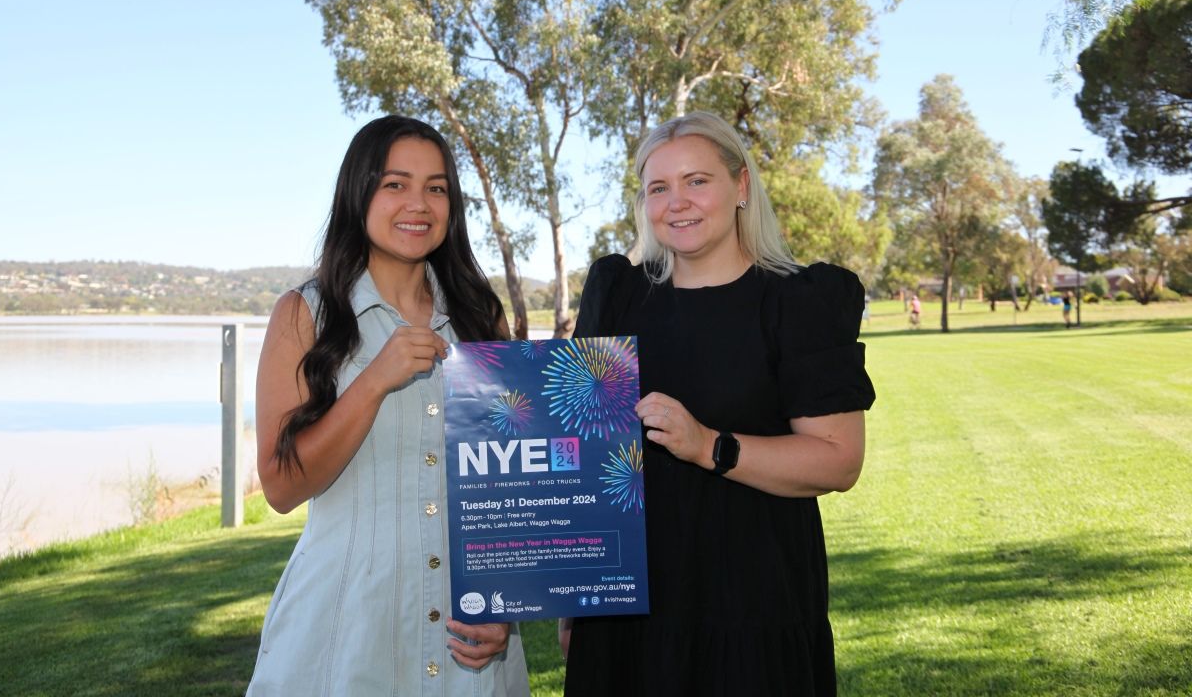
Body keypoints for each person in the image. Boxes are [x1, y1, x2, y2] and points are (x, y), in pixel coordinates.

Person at [561, 112, 875, 696]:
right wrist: (574, 602)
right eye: (659, 187)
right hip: (627, 609)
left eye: (697, 181)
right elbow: (585, 456)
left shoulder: (798, 302)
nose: (677, 202)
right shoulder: (617, 298)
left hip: (753, 603)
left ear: (741, 187)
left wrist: (708, 445)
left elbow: (838, 460)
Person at [247, 116, 530, 696]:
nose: (418, 203)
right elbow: (280, 488)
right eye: (395, 183)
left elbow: (512, 488)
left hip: (468, 640)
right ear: (359, 193)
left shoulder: (483, 318)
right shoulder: (303, 316)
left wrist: (508, 603)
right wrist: (374, 380)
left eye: (436, 187)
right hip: (344, 632)